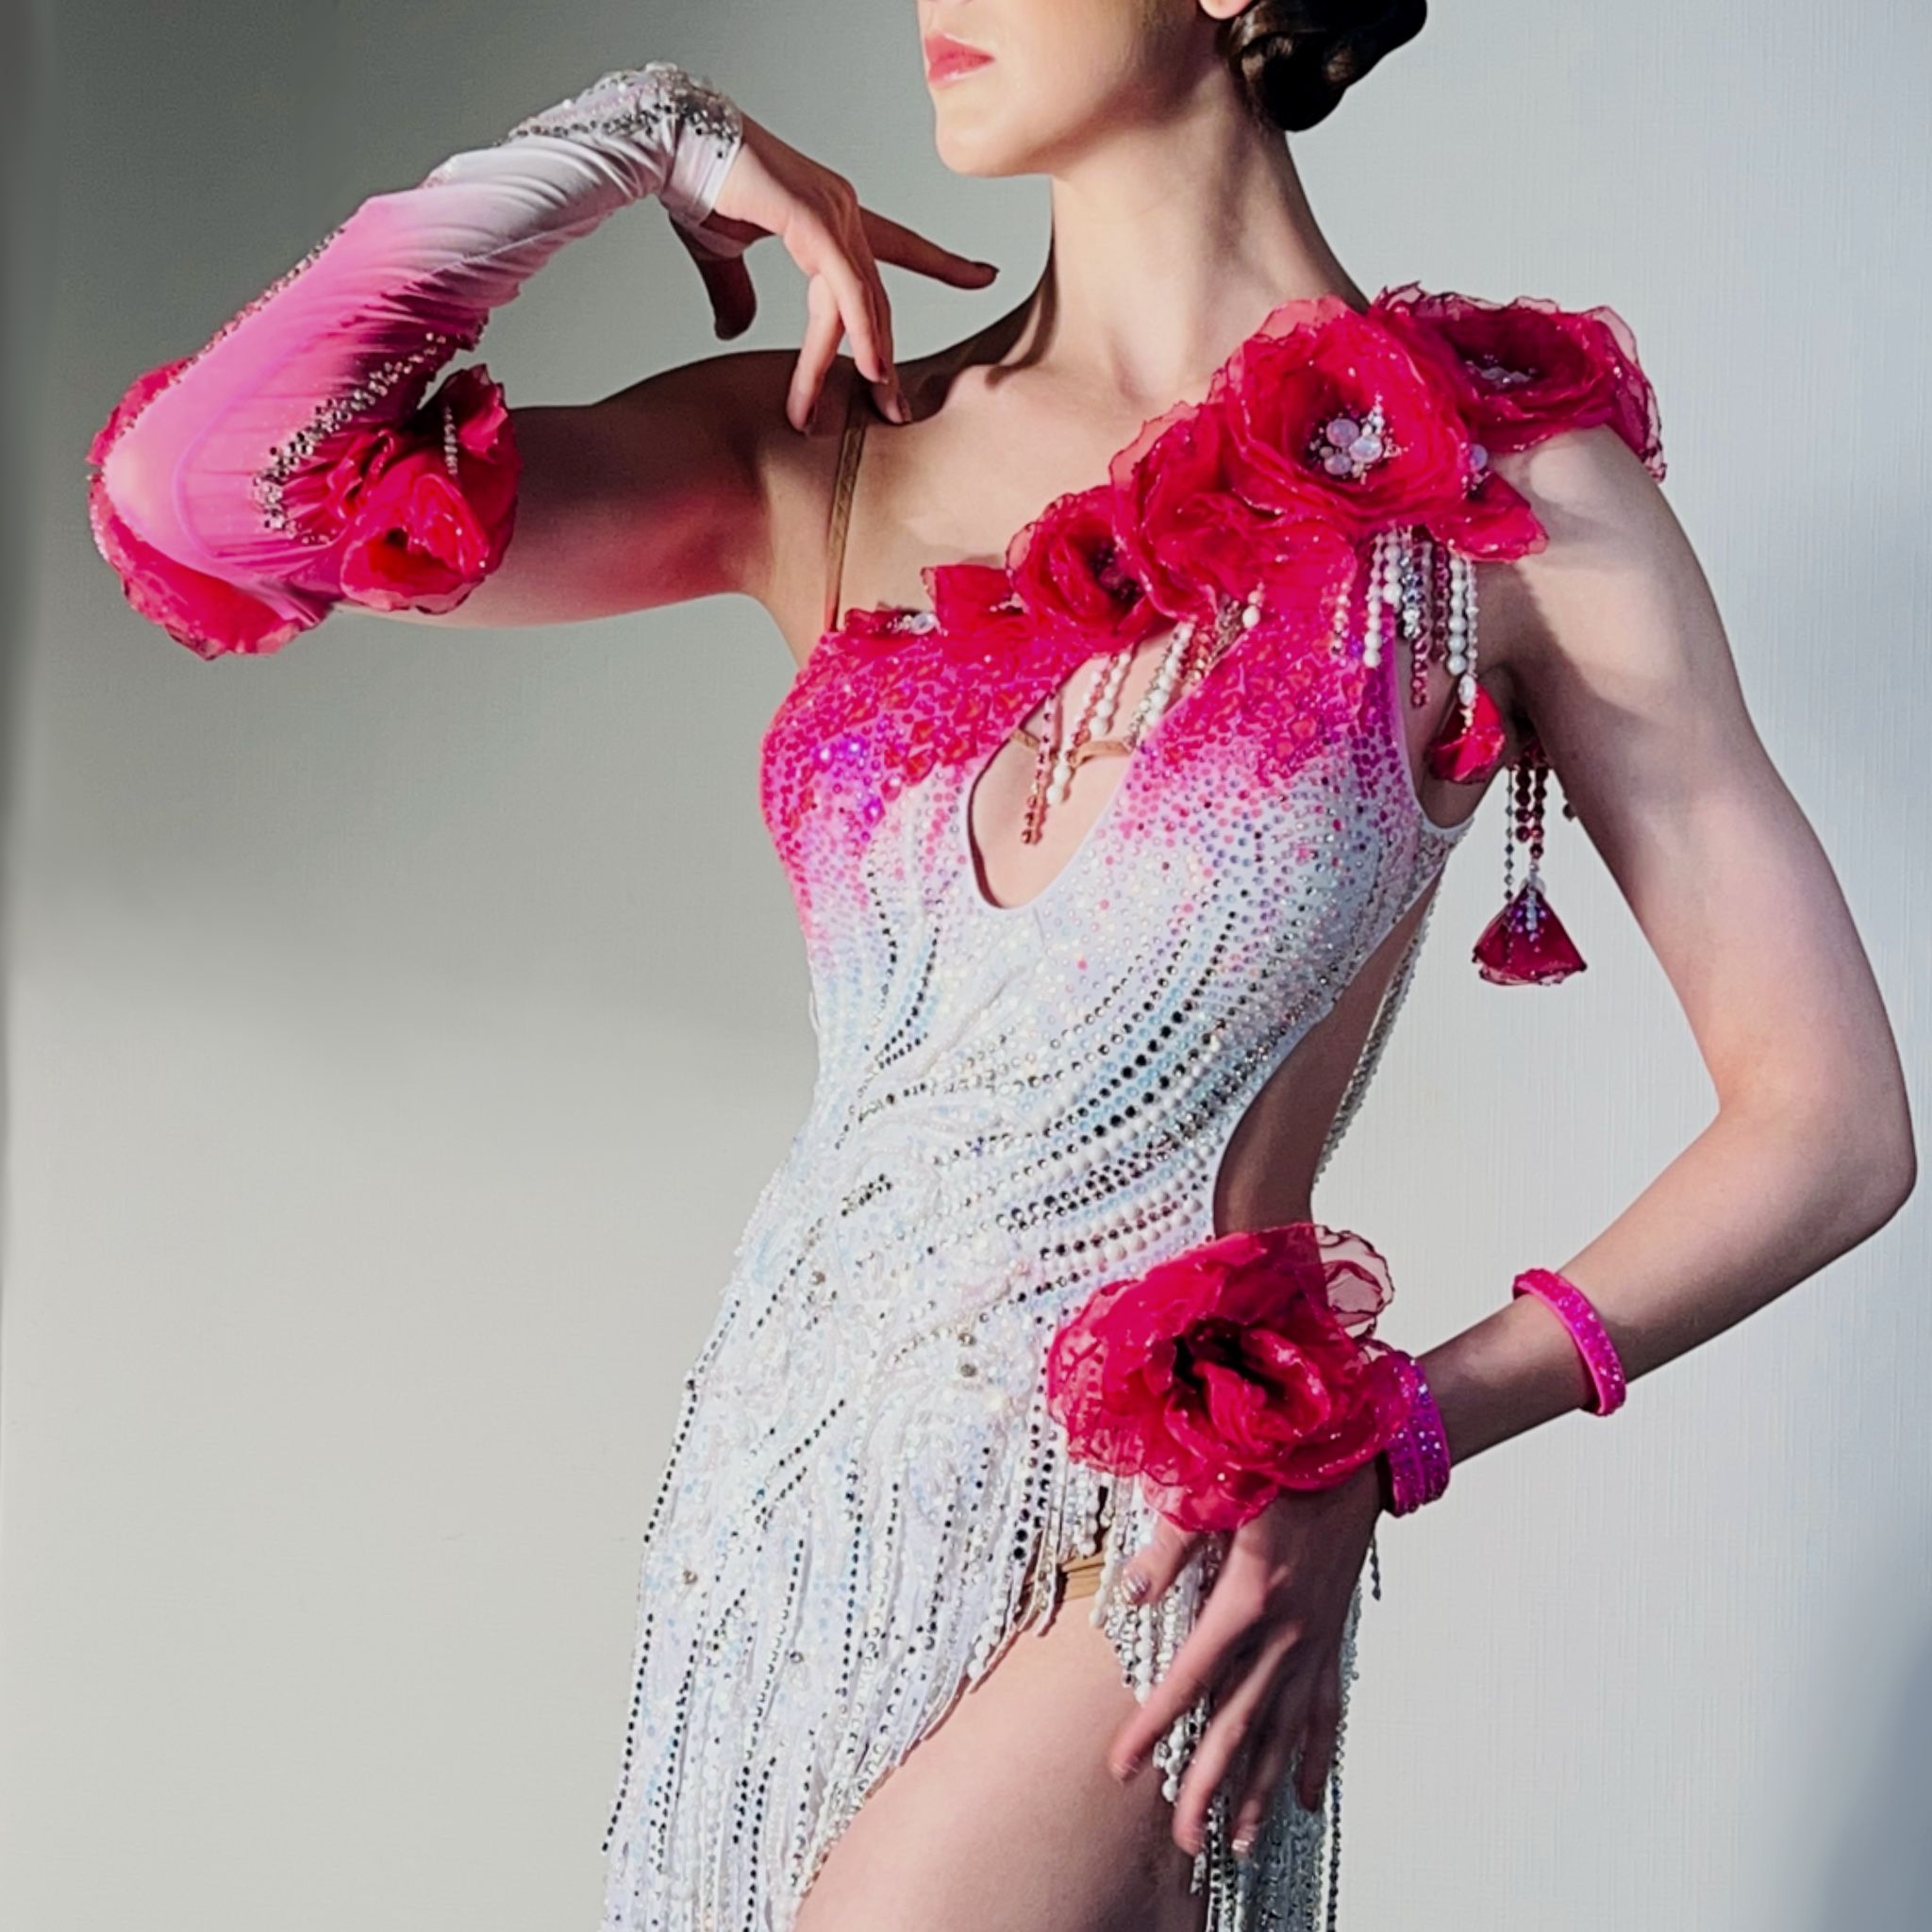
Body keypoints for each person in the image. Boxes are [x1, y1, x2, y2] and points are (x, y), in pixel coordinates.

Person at [82, 7, 1916, 1931]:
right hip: (784, 1520)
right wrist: (628, 142)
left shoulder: (1492, 497)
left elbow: (1830, 1122)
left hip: (1155, 1532)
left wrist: (1396, 1435)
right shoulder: (832, 451)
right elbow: (205, 494)